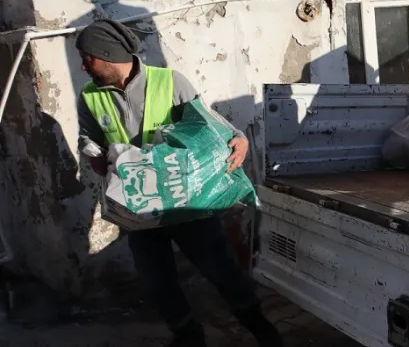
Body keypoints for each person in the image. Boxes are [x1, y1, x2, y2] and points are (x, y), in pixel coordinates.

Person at [74, 19, 281, 347]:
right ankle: (188, 335)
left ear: (107, 53)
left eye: (88, 58)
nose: (84, 66)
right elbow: (87, 138)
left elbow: (212, 125)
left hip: (187, 203)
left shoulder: (170, 82)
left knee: (219, 270)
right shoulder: (90, 96)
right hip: (138, 208)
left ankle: (259, 326)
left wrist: (238, 138)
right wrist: (93, 154)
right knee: (156, 282)